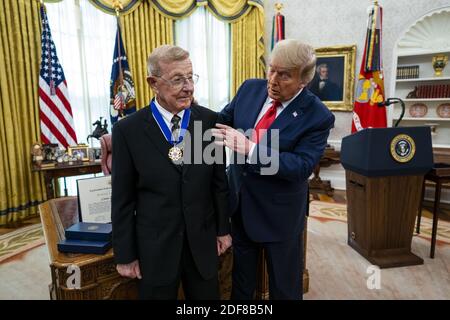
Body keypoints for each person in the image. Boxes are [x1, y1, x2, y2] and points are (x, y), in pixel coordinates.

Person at [213, 39, 335, 300]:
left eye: (284, 75)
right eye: (271, 70)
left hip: (279, 217)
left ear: (304, 80)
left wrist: (251, 149)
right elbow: (219, 121)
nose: (272, 80)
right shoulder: (249, 89)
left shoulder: (318, 115)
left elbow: (301, 166)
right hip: (240, 207)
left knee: (284, 287)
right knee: (241, 284)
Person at [111, 45, 232, 300]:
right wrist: (125, 254)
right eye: (178, 79)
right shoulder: (127, 131)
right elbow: (123, 199)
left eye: (191, 77)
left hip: (203, 244)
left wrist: (222, 229)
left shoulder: (210, 121)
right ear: (153, 82)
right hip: (155, 249)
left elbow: (218, 184)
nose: (188, 87)